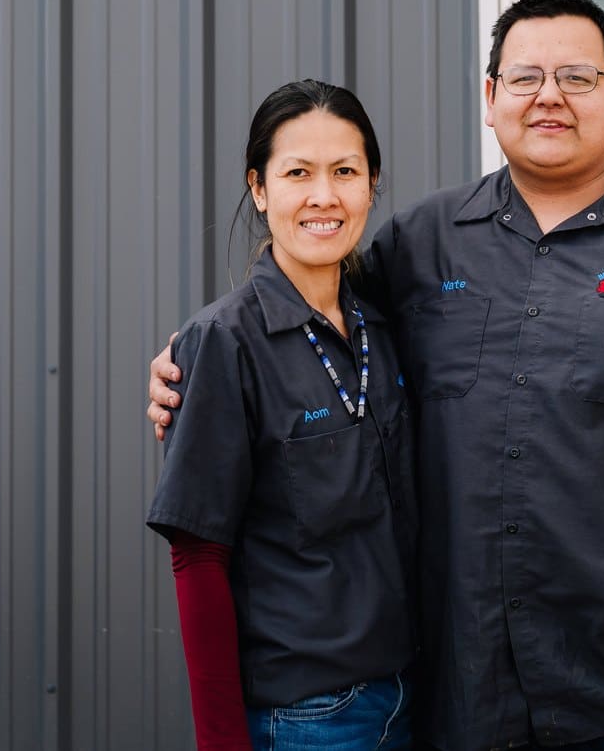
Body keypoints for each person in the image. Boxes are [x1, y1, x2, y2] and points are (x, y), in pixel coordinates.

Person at [152, 0, 604, 751]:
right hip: (462, 702)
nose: (550, 96)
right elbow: (298, 328)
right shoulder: (419, 245)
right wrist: (188, 365)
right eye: (525, 77)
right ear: (491, 98)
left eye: (578, 77)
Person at [148, 80, 416, 751]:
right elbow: (197, 557)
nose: (323, 196)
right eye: (298, 172)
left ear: (372, 184)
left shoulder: (386, 321)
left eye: (345, 172)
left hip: (415, 699)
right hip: (306, 718)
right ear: (260, 188)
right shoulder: (224, 342)